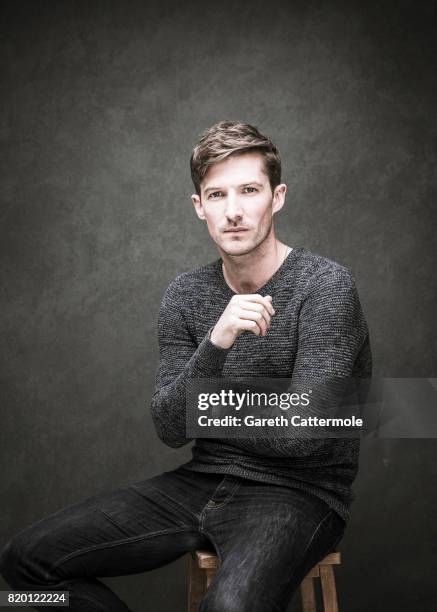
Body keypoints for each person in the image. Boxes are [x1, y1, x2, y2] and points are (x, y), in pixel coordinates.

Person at [0, 121, 372, 611]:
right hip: (200, 481)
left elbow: (304, 433)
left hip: (301, 494)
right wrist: (216, 343)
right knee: (23, 566)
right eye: (216, 195)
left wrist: (210, 408)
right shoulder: (186, 295)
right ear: (199, 206)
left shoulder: (325, 287)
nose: (233, 211)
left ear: (277, 197)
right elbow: (171, 425)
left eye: (249, 190)